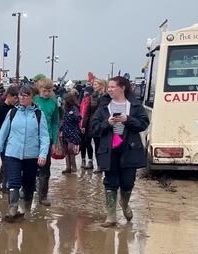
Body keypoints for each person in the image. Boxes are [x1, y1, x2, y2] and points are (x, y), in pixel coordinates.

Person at [90, 76, 149, 228]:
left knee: (128, 182)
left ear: (122, 87)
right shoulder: (103, 107)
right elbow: (94, 129)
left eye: (112, 87)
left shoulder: (134, 105)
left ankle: (124, 203)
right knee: (110, 181)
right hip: (109, 150)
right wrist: (106, 123)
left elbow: (143, 124)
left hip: (129, 148)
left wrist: (127, 119)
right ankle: (111, 216)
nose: (109, 89)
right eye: (108, 87)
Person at [0, 85, 49, 222]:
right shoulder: (12, 113)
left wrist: (43, 154)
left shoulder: (38, 114)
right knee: (13, 181)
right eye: (21, 95)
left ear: (31, 97)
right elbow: (3, 133)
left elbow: (44, 137)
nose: (22, 98)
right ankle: (12, 209)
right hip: (13, 153)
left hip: (31, 155)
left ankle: (27, 209)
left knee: (29, 183)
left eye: (26, 95)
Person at [33, 78, 61, 206]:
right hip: (32, 138)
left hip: (47, 139)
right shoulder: (33, 101)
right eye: (44, 91)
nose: (46, 93)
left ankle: (43, 195)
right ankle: (28, 189)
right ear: (39, 89)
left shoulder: (53, 104)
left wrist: (54, 141)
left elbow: (55, 123)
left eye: (49, 91)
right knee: (30, 165)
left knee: (45, 167)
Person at [0, 86, 19, 190]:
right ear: (8, 96)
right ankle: (5, 187)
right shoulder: (0, 109)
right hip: (2, 142)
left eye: (17, 98)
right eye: (14, 98)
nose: (16, 101)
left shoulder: (14, 109)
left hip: (13, 141)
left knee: (7, 165)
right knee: (7, 165)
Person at [83, 79, 107, 172]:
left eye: (96, 84)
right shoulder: (92, 96)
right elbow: (87, 112)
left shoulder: (106, 97)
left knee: (99, 145)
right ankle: (91, 162)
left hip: (102, 124)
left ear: (101, 85)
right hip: (91, 124)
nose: (94, 86)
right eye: (93, 84)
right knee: (88, 142)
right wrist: (84, 125)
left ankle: (100, 165)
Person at [60, 92, 82, 174]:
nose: (63, 101)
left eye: (64, 100)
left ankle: (74, 167)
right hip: (65, 132)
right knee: (66, 150)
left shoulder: (74, 109)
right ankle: (68, 167)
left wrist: (72, 114)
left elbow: (79, 118)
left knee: (71, 149)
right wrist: (61, 130)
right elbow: (64, 121)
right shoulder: (65, 109)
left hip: (73, 132)